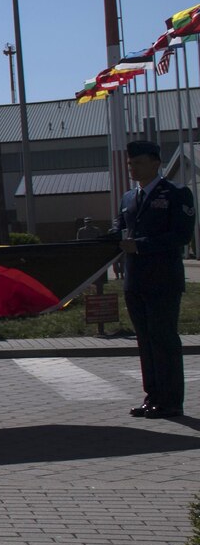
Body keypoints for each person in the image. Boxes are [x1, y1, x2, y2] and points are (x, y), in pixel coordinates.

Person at [117, 140, 194, 419]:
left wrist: (141, 244)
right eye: (130, 164)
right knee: (145, 341)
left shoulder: (176, 194)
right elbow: (119, 229)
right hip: (135, 281)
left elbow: (181, 236)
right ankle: (153, 397)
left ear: (155, 163)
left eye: (138, 163)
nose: (132, 168)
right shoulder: (128, 197)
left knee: (164, 340)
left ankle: (171, 402)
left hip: (163, 280)